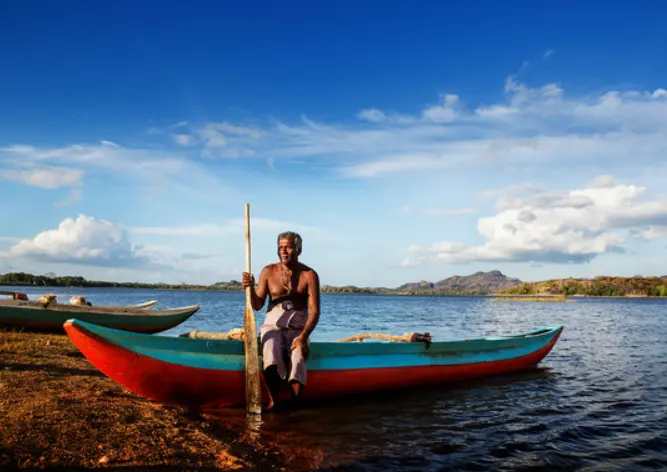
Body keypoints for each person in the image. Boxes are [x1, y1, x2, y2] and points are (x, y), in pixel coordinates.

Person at [242, 231, 320, 411]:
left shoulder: (309, 275)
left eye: (289, 247)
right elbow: (258, 304)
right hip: (273, 324)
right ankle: (273, 400)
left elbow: (315, 311)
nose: (284, 251)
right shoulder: (269, 271)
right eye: (281, 248)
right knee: (270, 352)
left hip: (298, 327)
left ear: (298, 250)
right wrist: (250, 289)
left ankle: (294, 404)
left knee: (298, 357)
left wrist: (302, 337)